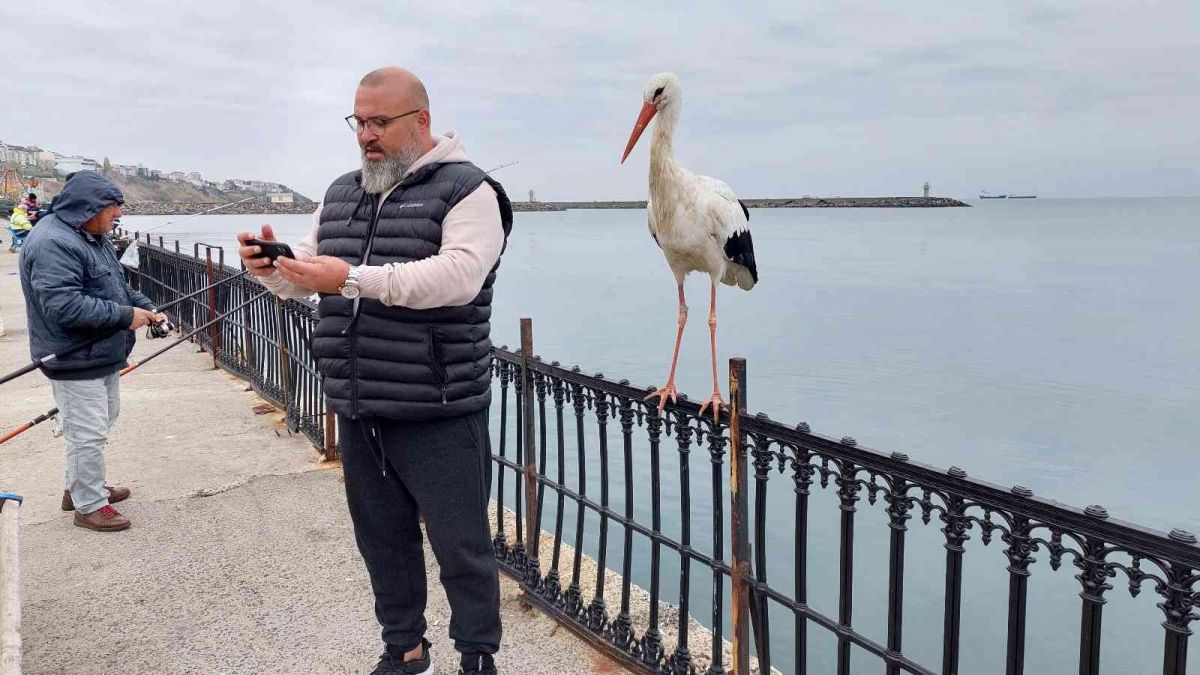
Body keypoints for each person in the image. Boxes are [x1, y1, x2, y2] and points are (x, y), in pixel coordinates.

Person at [238, 67, 512, 675]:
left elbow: (458, 277)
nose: (367, 135)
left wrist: (354, 280)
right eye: (359, 122)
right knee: (382, 541)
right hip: (359, 401)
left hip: (437, 406)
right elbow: (307, 274)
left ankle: (477, 658)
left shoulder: (471, 191)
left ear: (421, 120)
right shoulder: (340, 193)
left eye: (380, 122)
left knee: (462, 547)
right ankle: (405, 650)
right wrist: (271, 267)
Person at [19, 171, 166, 532]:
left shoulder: (91, 235)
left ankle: (79, 487)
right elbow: (63, 306)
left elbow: (114, 285)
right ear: (91, 207)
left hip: (100, 353)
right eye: (113, 209)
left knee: (101, 421)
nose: (118, 216)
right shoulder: (53, 242)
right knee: (88, 432)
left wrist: (145, 307)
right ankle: (88, 505)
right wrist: (125, 316)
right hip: (72, 357)